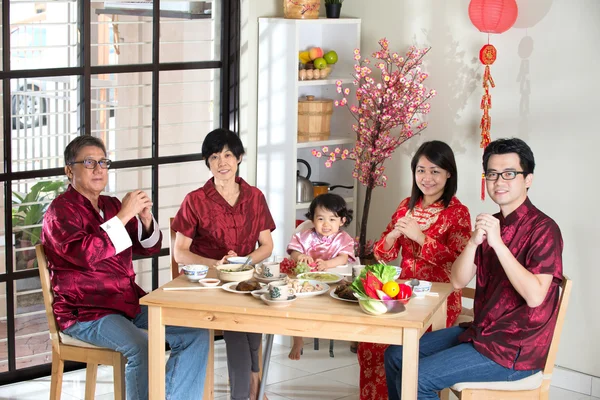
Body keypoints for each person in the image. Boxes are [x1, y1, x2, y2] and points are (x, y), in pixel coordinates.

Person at [384, 138, 563, 399]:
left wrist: (499, 245)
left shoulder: (544, 229)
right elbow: (457, 281)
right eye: (492, 174)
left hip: (514, 349)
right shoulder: (491, 223)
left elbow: (535, 296)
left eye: (509, 174)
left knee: (418, 377)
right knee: (395, 355)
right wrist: (472, 242)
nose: (499, 181)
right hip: (481, 332)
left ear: (528, 179)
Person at [41, 136, 209, 400]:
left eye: (103, 162)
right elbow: (86, 255)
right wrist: (123, 216)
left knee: (195, 332)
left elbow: (149, 248)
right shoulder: (59, 212)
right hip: (85, 311)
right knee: (142, 346)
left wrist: (145, 220)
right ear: (69, 170)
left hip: (126, 301)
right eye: (89, 162)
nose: (99, 169)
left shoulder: (110, 204)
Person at [358, 140, 472, 400]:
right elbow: (382, 255)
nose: (427, 178)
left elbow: (458, 263)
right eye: (421, 170)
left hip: (440, 298)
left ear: (449, 173)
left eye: (435, 171)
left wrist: (421, 238)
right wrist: (392, 236)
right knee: (371, 342)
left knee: (400, 344)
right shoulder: (406, 205)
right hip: (404, 291)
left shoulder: (458, 213)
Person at [171, 128, 275, 400]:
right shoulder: (195, 200)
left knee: (252, 320)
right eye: (215, 157)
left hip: (244, 279)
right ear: (208, 162)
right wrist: (217, 263)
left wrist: (242, 263)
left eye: (228, 155)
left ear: (239, 158)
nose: (222, 163)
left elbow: (267, 246)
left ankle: (252, 388)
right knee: (239, 323)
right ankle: (249, 392)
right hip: (209, 282)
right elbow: (180, 253)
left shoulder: (255, 197)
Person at [286, 193, 355, 360]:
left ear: (342, 221)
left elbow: (343, 258)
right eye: (321, 219)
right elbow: (294, 251)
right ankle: (298, 339)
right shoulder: (305, 236)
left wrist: (327, 264)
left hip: (335, 279)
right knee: (297, 307)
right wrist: (300, 256)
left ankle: (354, 338)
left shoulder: (343, 238)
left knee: (350, 301)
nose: (326, 224)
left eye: (332, 219)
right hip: (308, 281)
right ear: (312, 219)